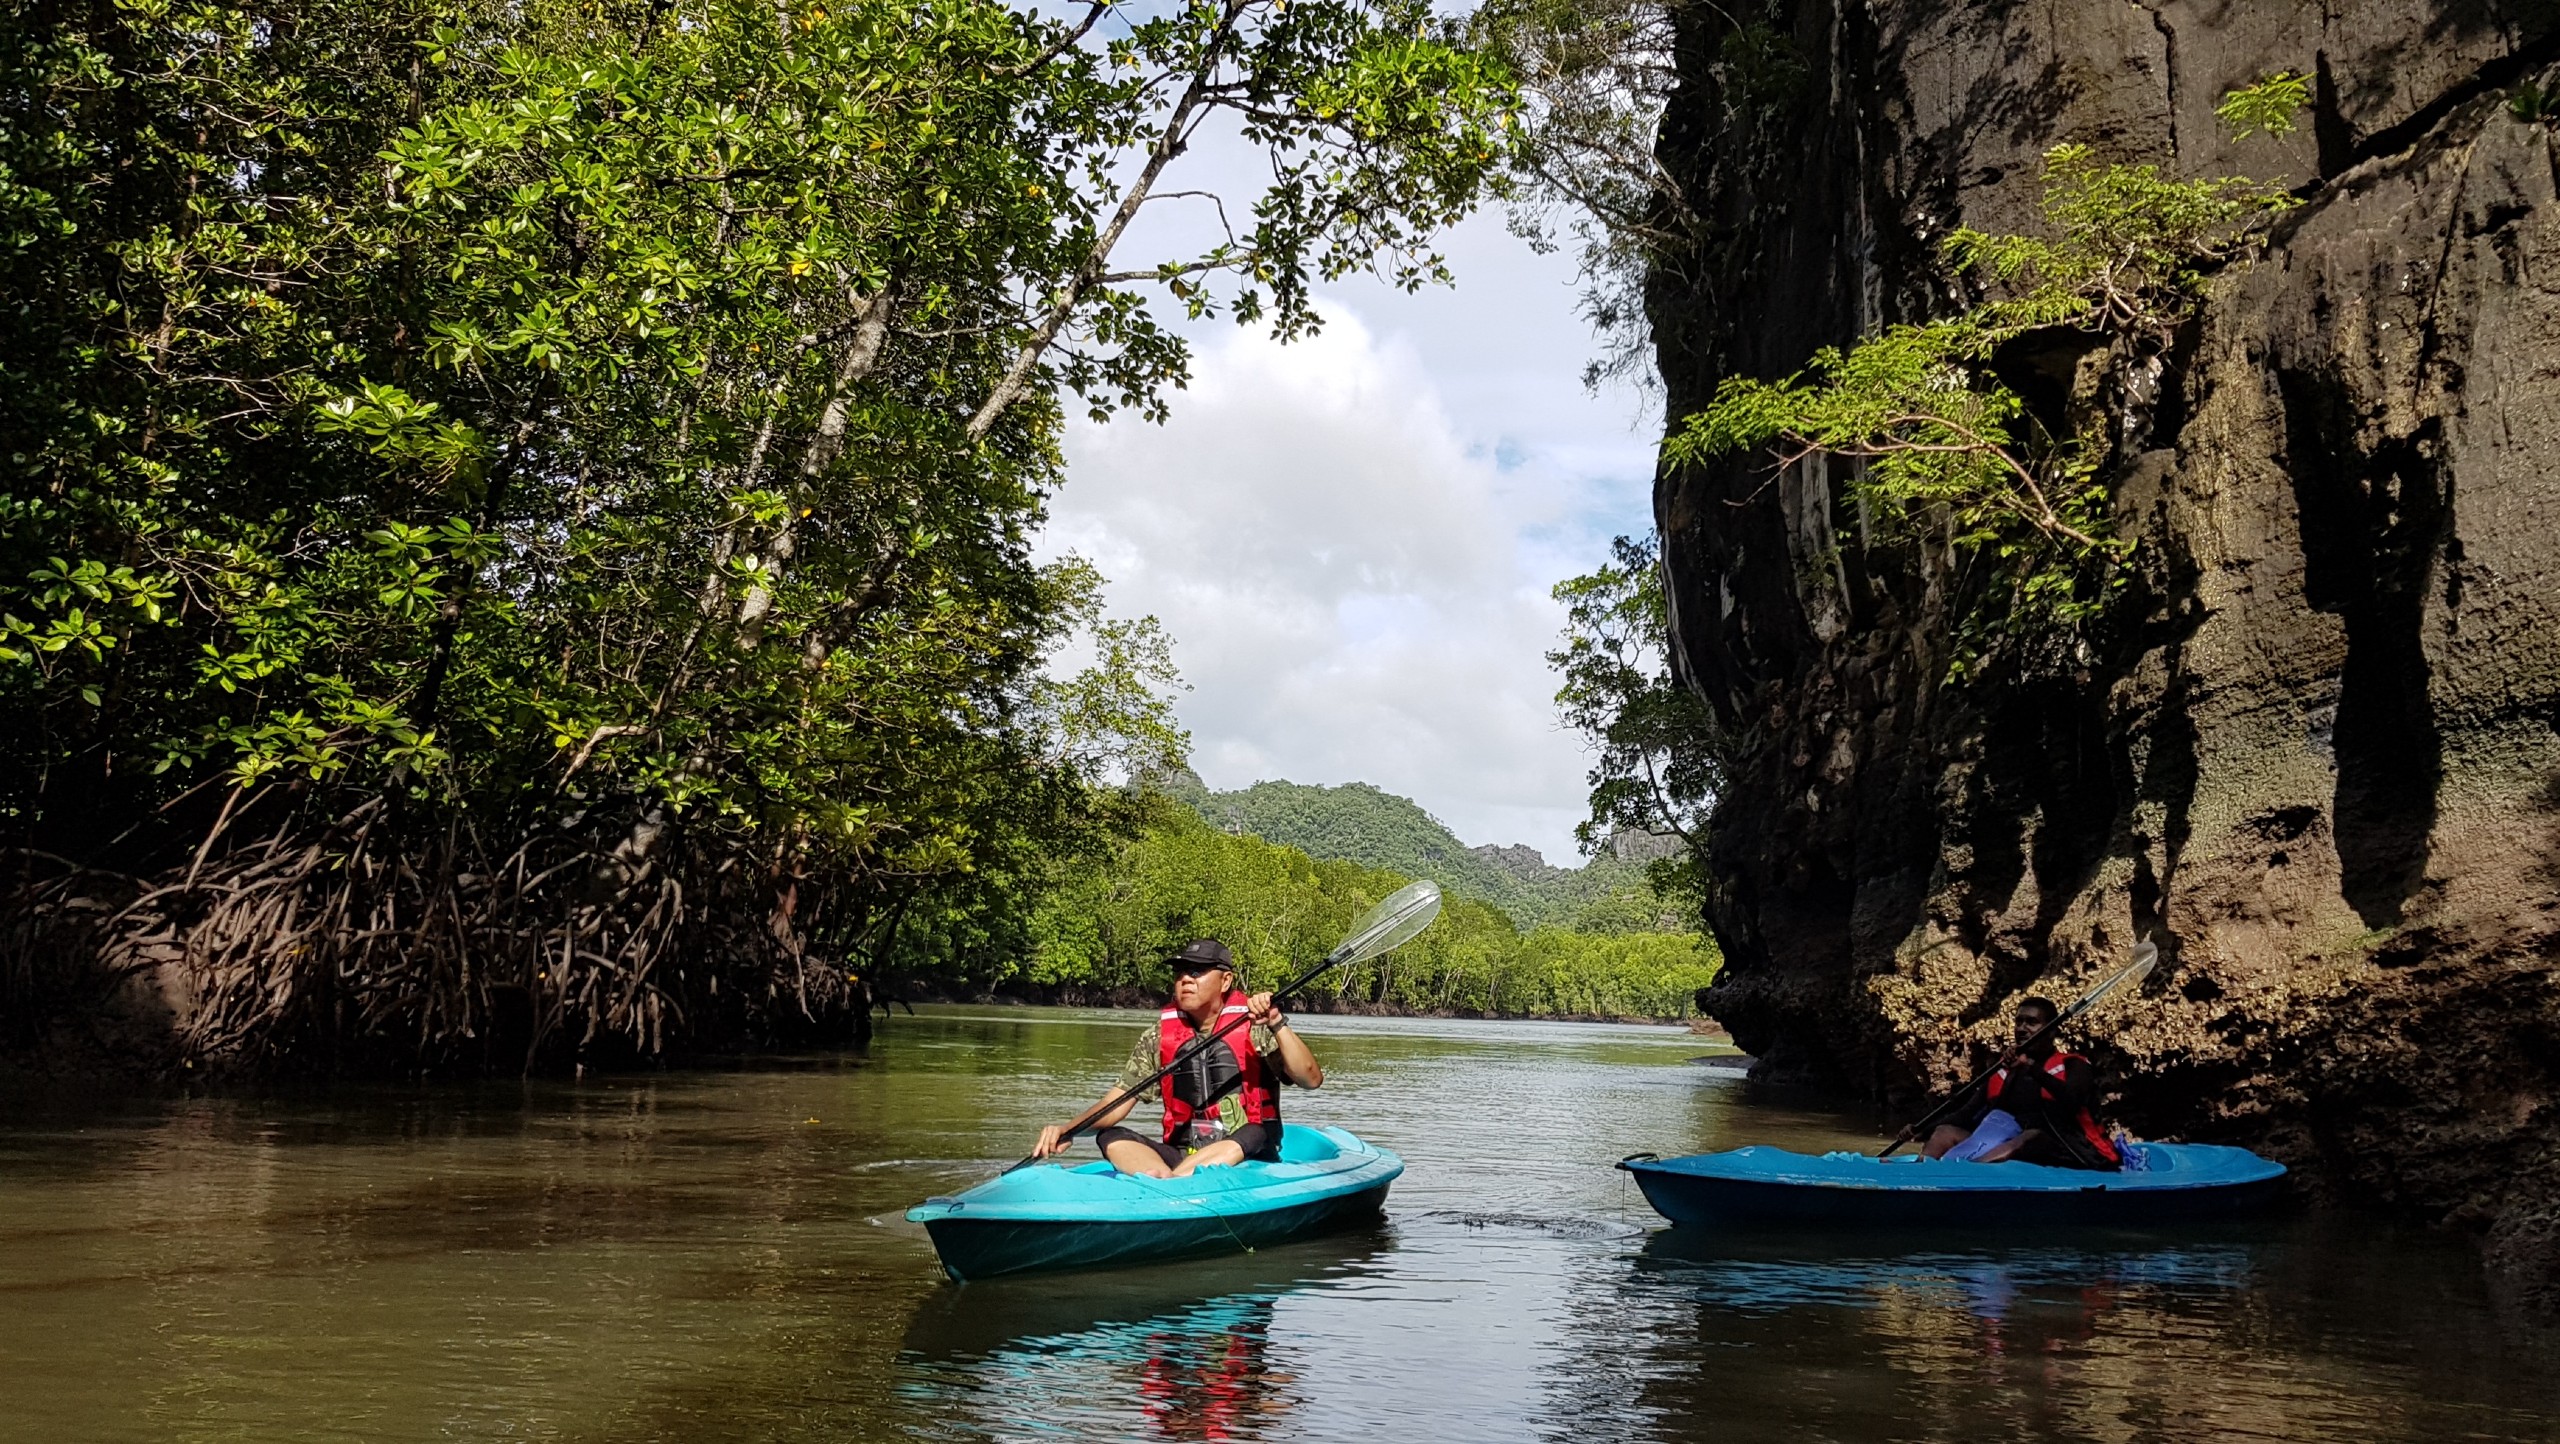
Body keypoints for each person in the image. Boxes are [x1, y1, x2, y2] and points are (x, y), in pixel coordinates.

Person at [1030, 939, 1325, 1177]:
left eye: (1197, 972)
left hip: (1247, 1152)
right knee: (1111, 1136)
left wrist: (1275, 1021)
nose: (1185, 979)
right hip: (1183, 1155)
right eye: (1180, 973)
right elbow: (1116, 1103)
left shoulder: (1255, 1027)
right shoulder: (1158, 1037)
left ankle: (1179, 1181)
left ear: (1226, 981)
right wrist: (1069, 1130)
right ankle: (1161, 1178)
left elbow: (1311, 1079)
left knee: (1255, 1131)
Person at [1922, 995, 2122, 1171]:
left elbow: (2073, 1100)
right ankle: (1916, 1172)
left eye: (2031, 1022)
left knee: (2029, 1136)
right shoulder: (2004, 1069)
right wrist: (1920, 1129)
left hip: (2067, 1147)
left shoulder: (2074, 1066)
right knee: (1944, 1132)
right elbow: (1967, 1112)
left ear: (2051, 1031)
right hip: (2004, 1140)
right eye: (2018, 1022)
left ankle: (1970, 1172)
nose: (2021, 1028)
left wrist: (2031, 1068)